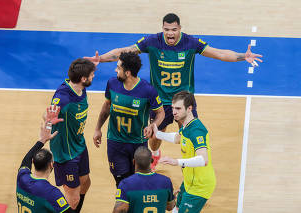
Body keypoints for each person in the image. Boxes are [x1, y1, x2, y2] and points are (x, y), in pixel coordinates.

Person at [85, 13, 263, 170]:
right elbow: (125, 51)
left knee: (189, 134)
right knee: (155, 134)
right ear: (162, 29)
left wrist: (242, 57)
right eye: (166, 29)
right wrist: (101, 59)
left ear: (180, 29)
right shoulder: (152, 41)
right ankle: (154, 154)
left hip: (184, 101)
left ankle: (191, 162)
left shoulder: (190, 42)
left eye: (174, 29)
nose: (170, 33)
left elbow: (219, 53)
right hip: (159, 101)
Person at [93, 52, 165, 187]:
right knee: (121, 183)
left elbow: (160, 113)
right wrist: (98, 128)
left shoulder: (148, 90)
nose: (115, 70)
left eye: (118, 68)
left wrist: (152, 125)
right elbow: (107, 106)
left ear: (127, 73)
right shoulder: (112, 84)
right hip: (115, 142)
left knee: (138, 181)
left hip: (138, 143)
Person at [153, 91, 216, 213]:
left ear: (189, 108)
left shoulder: (197, 131)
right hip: (188, 182)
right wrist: (157, 134)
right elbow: (177, 138)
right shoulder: (187, 125)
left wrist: (176, 161)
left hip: (199, 187)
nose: (174, 112)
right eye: (172, 108)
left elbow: (203, 159)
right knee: (175, 209)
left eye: (178, 108)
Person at [48, 58, 96, 212]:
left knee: (86, 183)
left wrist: (92, 64)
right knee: (73, 199)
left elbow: (78, 67)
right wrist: (49, 118)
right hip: (65, 153)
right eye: (92, 74)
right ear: (83, 78)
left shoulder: (79, 85)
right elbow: (48, 113)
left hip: (79, 144)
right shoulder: (64, 98)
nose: (93, 76)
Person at [16, 105, 75, 213]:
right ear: (51, 165)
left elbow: (26, 160)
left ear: (33, 162)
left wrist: (41, 141)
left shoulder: (22, 178)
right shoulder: (51, 193)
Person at [113, 146, 175, 213]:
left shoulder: (126, 184)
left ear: (133, 162)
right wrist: (172, 197)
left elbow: (119, 210)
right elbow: (170, 207)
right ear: (152, 161)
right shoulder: (166, 182)